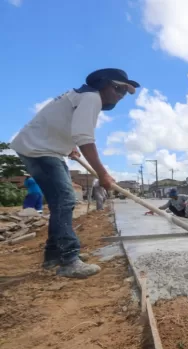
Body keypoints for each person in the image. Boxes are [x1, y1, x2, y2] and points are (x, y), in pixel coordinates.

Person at [10, 68, 140, 278]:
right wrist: (102, 173)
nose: (120, 96)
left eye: (124, 93)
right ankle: (70, 259)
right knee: (66, 200)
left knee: (60, 203)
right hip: (39, 149)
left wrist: (69, 146)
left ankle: (54, 256)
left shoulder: (82, 96)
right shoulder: (91, 98)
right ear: (104, 85)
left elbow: (64, 125)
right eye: (118, 89)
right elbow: (85, 138)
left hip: (42, 148)